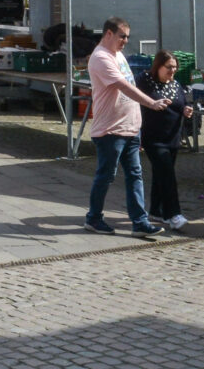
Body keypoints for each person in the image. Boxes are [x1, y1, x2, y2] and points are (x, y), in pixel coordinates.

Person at [83, 18, 166, 237]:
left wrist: (138, 121)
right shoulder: (100, 57)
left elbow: (129, 84)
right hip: (110, 130)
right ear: (108, 34)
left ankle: (140, 222)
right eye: (122, 36)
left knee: (135, 174)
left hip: (130, 127)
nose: (126, 41)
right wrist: (151, 103)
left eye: (127, 36)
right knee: (106, 175)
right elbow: (123, 86)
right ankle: (93, 218)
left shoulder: (118, 54)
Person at [139, 50, 197, 231]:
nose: (172, 71)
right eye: (168, 67)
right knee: (168, 176)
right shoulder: (145, 81)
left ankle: (156, 211)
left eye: (175, 67)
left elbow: (180, 105)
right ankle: (174, 214)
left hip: (172, 138)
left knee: (161, 175)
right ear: (158, 66)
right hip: (153, 138)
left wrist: (186, 110)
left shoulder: (175, 84)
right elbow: (136, 99)